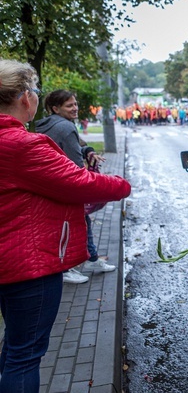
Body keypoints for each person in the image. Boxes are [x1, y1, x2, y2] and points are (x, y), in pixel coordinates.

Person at [0, 59, 130, 392]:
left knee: (16, 346)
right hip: (29, 265)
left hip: (9, 257)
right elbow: (78, 182)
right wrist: (121, 184)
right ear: (25, 97)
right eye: (34, 91)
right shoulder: (21, 145)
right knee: (26, 355)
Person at [35, 90, 117, 284]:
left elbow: (65, 147)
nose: (75, 108)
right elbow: (75, 161)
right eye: (69, 105)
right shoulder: (64, 126)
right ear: (56, 108)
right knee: (70, 226)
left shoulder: (47, 124)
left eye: (75, 104)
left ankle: (91, 259)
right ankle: (65, 268)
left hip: (49, 183)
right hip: (62, 186)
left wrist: (87, 149)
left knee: (80, 222)